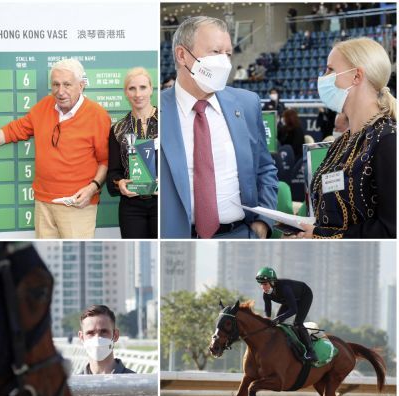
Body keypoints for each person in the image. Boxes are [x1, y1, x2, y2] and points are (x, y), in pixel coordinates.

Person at [0, 58, 111, 239]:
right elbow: (11, 131)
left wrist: (92, 188)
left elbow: (105, 160)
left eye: (67, 85)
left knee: (77, 260)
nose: (60, 91)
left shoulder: (97, 115)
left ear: (81, 85)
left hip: (77, 205)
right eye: (55, 84)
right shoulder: (43, 107)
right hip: (43, 203)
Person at [160, 16, 278, 239]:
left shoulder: (247, 104)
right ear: (182, 55)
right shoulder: (156, 111)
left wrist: (263, 223)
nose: (224, 62)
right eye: (215, 52)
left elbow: (265, 169)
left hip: (241, 235)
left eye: (228, 54)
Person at [297, 37, 396, 238]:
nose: (323, 77)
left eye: (330, 70)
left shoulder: (388, 141)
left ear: (356, 76)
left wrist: (321, 235)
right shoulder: (342, 142)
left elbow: (391, 230)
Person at [106, 67, 158, 239]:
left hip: (164, 205)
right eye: (132, 89)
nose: (138, 94)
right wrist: (120, 183)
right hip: (131, 207)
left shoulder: (169, 122)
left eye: (143, 87)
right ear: (125, 93)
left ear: (151, 88)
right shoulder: (118, 129)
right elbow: (113, 172)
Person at [255, 267, 317, 362]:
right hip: (289, 300)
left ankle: (311, 352)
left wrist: (278, 319)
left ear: (272, 282)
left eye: (265, 284)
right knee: (278, 323)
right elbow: (268, 313)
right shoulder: (266, 294)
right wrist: (267, 321)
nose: (263, 287)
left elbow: (293, 309)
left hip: (304, 296)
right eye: (261, 285)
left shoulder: (285, 288)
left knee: (297, 324)